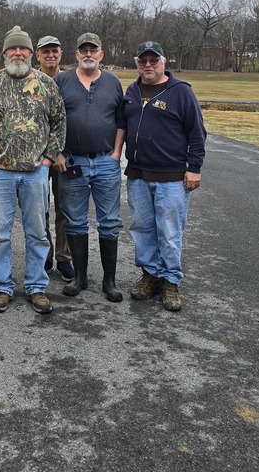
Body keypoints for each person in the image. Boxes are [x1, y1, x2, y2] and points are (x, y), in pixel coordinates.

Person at [0, 26, 66, 315]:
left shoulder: (47, 85)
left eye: (23, 48)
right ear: (5, 53)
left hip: (35, 172)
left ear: (31, 54)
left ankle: (36, 287)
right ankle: (2, 286)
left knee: (37, 233)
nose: (18, 53)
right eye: (13, 48)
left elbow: (59, 122)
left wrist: (48, 159)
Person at [123, 41, 206, 312]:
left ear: (163, 62)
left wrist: (194, 167)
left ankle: (171, 280)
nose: (148, 65)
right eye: (143, 60)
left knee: (170, 231)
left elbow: (197, 133)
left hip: (171, 176)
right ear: (137, 63)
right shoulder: (132, 90)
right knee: (143, 228)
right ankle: (151, 275)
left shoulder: (180, 92)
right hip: (138, 174)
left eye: (153, 60)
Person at [54, 33, 126, 302]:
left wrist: (117, 153)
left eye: (92, 50)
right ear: (76, 55)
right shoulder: (61, 81)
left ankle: (109, 281)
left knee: (109, 221)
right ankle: (80, 277)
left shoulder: (112, 82)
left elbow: (121, 120)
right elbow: (51, 119)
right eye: (83, 50)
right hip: (72, 161)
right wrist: (58, 152)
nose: (88, 54)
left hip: (106, 161)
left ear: (100, 54)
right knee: (75, 220)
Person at [35, 35, 75, 282]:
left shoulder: (71, 80)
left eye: (55, 51)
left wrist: (59, 150)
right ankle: (45, 253)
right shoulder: (29, 79)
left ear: (61, 54)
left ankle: (64, 256)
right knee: (39, 208)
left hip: (63, 156)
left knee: (64, 208)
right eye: (45, 51)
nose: (50, 55)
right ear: (37, 55)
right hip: (35, 157)